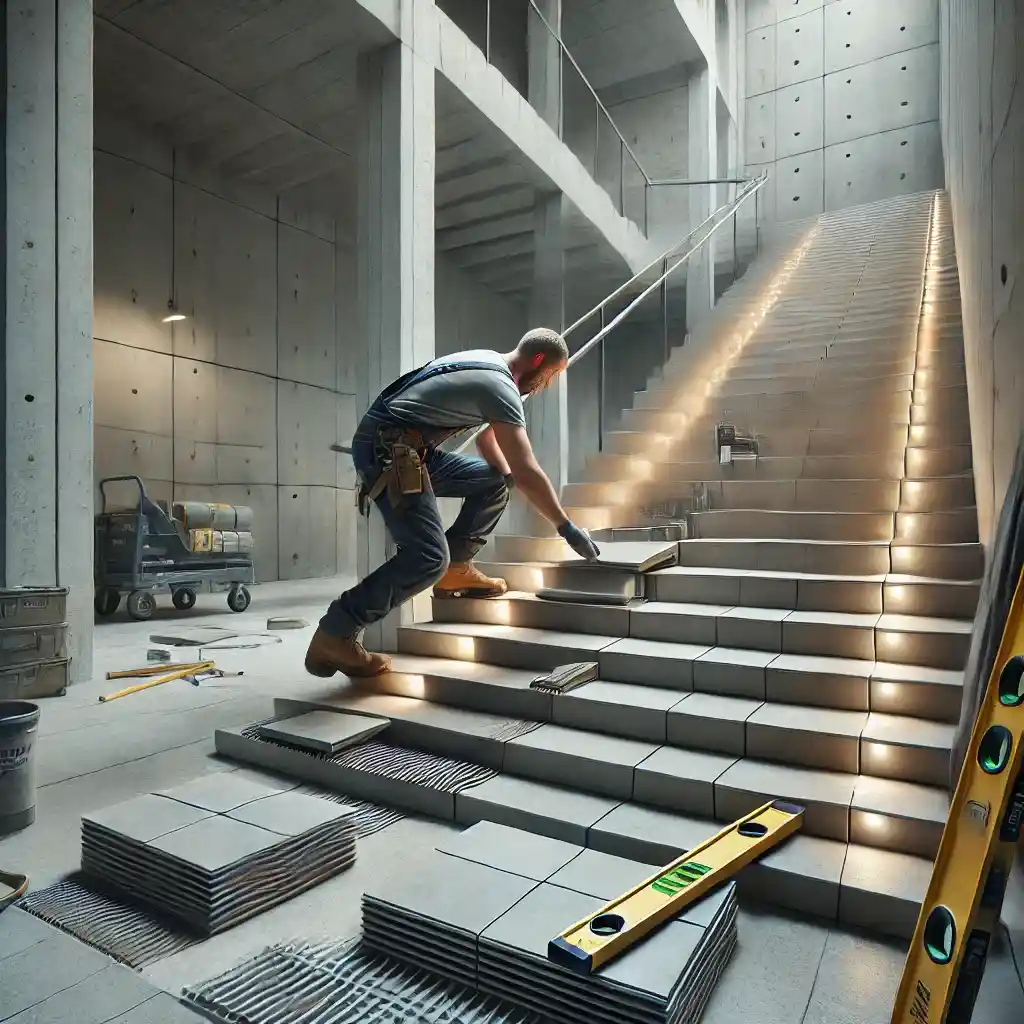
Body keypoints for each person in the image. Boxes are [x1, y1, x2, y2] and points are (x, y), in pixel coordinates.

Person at [305, 328, 602, 678]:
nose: (545, 385)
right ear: (537, 360)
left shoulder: (488, 363)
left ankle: (456, 568)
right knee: (427, 557)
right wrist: (565, 527)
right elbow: (526, 468)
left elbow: (491, 444)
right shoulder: (499, 385)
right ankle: (336, 631)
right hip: (388, 451)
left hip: (411, 449)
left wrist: (504, 480)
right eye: (549, 376)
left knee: (496, 479)